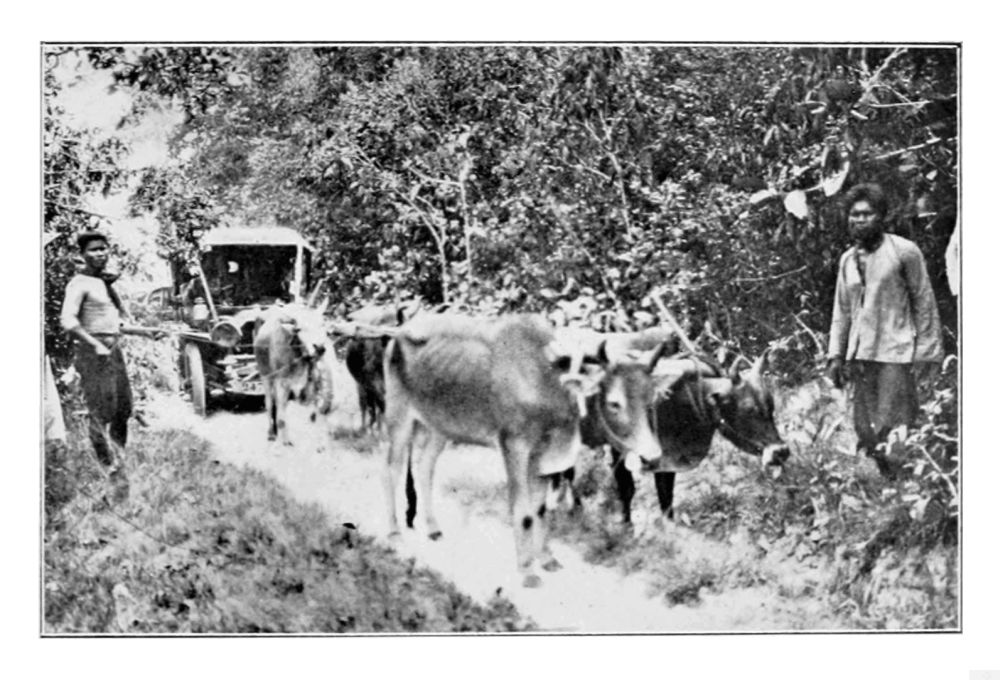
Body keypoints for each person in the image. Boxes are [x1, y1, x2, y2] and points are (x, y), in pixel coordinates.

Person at [826, 183, 944, 477]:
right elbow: (842, 311)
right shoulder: (847, 261)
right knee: (864, 429)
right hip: (861, 356)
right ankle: (891, 481)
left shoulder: (904, 252)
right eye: (854, 215)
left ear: (881, 217)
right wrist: (835, 355)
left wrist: (927, 352)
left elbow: (924, 301)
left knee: (892, 425)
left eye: (867, 214)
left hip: (895, 352)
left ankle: (907, 484)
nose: (859, 220)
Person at [60, 230, 164, 501]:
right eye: (93, 250)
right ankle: (109, 470)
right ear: (82, 255)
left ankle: (119, 464)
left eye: (103, 248)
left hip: (112, 353)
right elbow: (68, 321)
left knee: (122, 410)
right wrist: (94, 344)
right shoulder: (79, 283)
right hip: (93, 355)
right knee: (101, 413)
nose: (100, 254)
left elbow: (114, 326)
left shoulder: (103, 284)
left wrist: (146, 332)